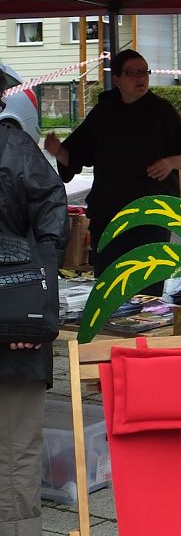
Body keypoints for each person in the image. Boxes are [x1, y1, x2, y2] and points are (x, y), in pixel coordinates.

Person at [44, 49, 181, 294]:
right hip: (109, 215)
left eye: (144, 72)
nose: (141, 78)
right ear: (116, 79)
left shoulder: (161, 110)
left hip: (152, 213)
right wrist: (57, 151)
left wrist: (170, 162)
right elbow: (75, 156)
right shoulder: (103, 113)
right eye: (132, 73)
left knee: (147, 286)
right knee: (109, 286)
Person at [0, 84, 68, 535]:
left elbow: (51, 224)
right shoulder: (15, 148)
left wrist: (35, 311)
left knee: (16, 442)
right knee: (16, 444)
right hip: (16, 311)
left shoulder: (13, 148)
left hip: (13, 314)